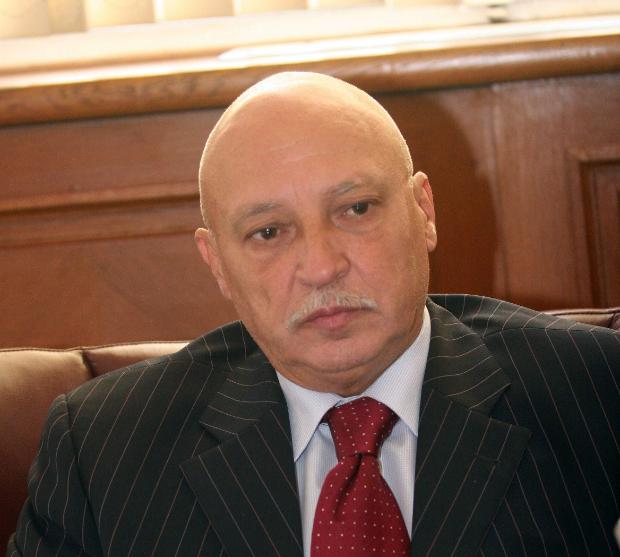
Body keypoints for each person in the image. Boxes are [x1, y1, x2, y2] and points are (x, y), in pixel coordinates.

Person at [8, 72, 619, 557]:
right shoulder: (103, 451)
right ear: (216, 263)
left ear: (424, 211)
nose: (322, 267)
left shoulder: (598, 393)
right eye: (269, 232)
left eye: (356, 209)